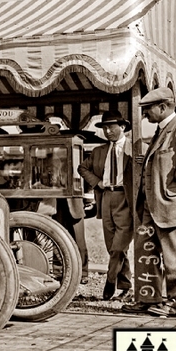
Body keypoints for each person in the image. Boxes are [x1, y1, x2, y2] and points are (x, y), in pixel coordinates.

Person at [124, 87, 176, 317]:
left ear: (163, 107)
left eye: (147, 110)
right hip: (150, 207)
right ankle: (147, 298)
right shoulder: (161, 131)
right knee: (146, 253)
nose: (144, 115)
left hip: (172, 206)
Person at [77, 111, 134, 300]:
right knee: (113, 248)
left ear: (123, 127)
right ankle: (126, 287)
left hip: (126, 199)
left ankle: (110, 281)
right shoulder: (99, 151)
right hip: (106, 198)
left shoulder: (135, 148)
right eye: (105, 128)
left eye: (111, 127)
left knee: (119, 247)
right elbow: (82, 168)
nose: (108, 131)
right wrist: (98, 182)